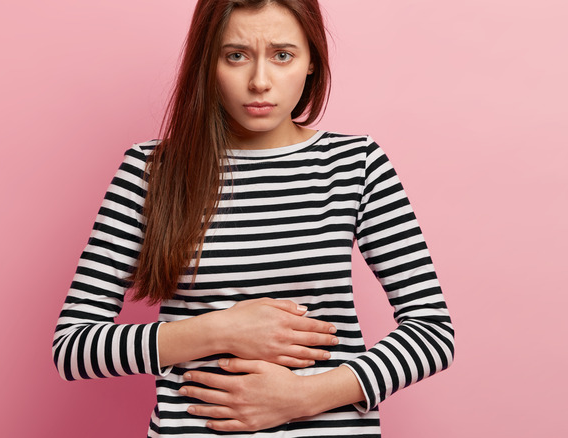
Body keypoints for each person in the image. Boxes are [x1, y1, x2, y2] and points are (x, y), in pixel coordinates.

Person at [52, 0, 455, 436]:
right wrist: (219, 330)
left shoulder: (355, 165)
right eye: (236, 55)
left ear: (312, 63)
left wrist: (305, 397)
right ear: (209, 62)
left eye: (283, 55)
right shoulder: (152, 170)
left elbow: (432, 332)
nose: (260, 81)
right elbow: (74, 347)